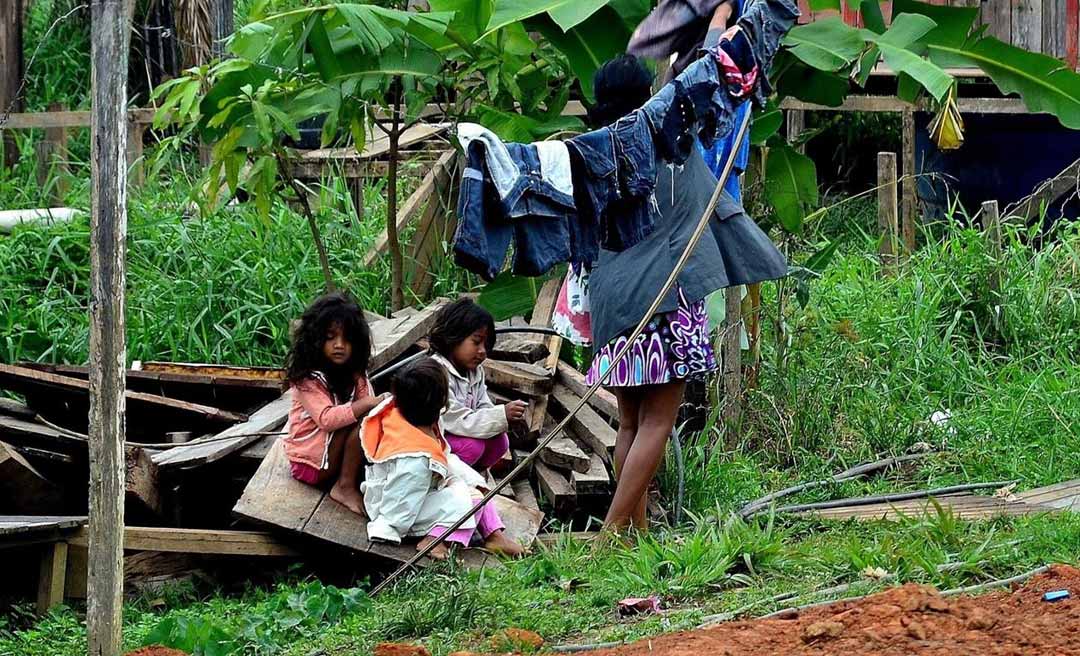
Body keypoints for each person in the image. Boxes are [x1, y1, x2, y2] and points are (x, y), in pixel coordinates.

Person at [585, 54, 787, 531]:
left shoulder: (594, 153)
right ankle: (613, 533)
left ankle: (635, 535)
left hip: (612, 303)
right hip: (665, 301)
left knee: (630, 423)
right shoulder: (669, 143)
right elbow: (713, 81)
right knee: (658, 423)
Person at [360, 357, 525, 560]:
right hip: (396, 508)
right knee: (469, 501)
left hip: (423, 490)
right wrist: (390, 526)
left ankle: (493, 535)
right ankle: (435, 539)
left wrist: (468, 481)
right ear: (439, 402)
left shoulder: (420, 419)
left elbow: (443, 456)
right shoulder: (414, 457)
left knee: (476, 485)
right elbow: (401, 497)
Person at [283, 293, 386, 517]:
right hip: (311, 465)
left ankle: (351, 480)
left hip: (333, 456)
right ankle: (344, 486)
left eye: (347, 339)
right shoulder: (307, 379)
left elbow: (372, 409)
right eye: (330, 338)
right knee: (364, 418)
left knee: (372, 418)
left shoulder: (354, 373)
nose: (339, 345)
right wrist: (369, 402)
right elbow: (327, 419)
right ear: (316, 339)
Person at [428, 298, 528, 472]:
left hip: (458, 433)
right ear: (453, 338)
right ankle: (450, 479)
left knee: (500, 441)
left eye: (485, 344)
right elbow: (456, 420)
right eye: (476, 342)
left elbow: (483, 405)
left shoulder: (474, 371)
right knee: (472, 447)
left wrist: (504, 419)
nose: (482, 350)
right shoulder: (436, 373)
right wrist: (502, 415)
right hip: (435, 440)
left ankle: (475, 477)